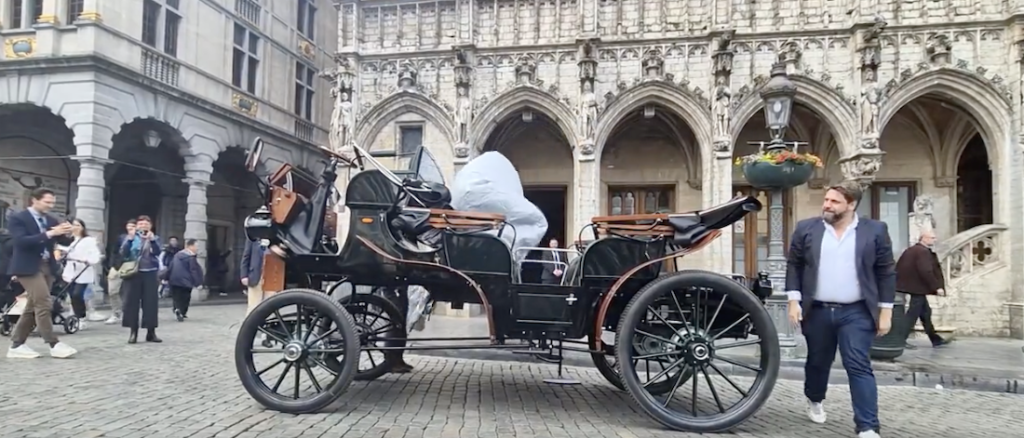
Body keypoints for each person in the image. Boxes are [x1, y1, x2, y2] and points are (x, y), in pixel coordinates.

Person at [786, 181, 895, 438]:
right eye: (826, 200)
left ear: (851, 204)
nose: (827, 205)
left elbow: (886, 271)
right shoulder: (807, 229)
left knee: (858, 364)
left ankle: (868, 426)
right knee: (818, 362)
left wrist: (886, 311)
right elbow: (795, 265)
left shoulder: (875, 230)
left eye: (834, 201)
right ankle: (814, 398)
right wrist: (794, 301)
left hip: (856, 311)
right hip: (818, 310)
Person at [5, 188, 78, 359]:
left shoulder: (51, 219)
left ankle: (17, 345)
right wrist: (50, 232)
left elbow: (62, 241)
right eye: (47, 202)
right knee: (44, 302)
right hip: (27, 267)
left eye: (52, 202)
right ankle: (53, 343)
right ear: (35, 200)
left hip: (47, 266)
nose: (50, 205)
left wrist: (68, 233)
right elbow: (21, 242)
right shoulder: (18, 218)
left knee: (33, 306)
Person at [896, 228, 950, 349]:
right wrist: (936, 287)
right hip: (917, 288)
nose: (935, 239)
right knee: (913, 313)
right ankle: (900, 339)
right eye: (932, 238)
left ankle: (935, 338)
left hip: (914, 287)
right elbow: (926, 270)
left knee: (925, 312)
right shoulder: (922, 252)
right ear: (924, 238)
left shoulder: (912, 250)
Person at [119, 215, 163, 344]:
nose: (143, 226)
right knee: (131, 304)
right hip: (133, 273)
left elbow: (157, 252)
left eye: (146, 224)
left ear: (150, 226)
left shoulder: (155, 238)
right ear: (137, 226)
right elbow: (123, 253)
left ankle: (151, 332)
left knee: (150, 304)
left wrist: (152, 240)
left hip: (150, 273)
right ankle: (133, 332)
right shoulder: (130, 238)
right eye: (141, 224)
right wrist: (131, 239)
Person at [59, 218, 103, 329]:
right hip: (70, 271)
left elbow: (95, 255)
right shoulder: (72, 240)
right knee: (71, 295)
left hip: (83, 272)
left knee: (77, 294)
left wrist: (87, 260)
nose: (75, 227)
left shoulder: (88, 240)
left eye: (78, 225)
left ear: (82, 227)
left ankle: (82, 317)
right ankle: (76, 316)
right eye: (73, 225)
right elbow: (68, 250)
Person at [103, 219, 136, 325]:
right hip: (118, 265)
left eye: (133, 226)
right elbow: (114, 251)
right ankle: (116, 313)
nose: (130, 228)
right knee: (112, 290)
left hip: (133, 265)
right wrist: (112, 265)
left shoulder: (141, 239)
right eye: (129, 226)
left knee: (130, 292)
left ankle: (129, 314)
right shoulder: (122, 238)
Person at [166, 238, 204, 321]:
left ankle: (177, 309)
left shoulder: (177, 255)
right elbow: (193, 270)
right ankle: (182, 312)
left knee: (176, 297)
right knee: (185, 297)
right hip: (186, 281)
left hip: (174, 279)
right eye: (196, 246)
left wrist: (166, 277)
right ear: (190, 246)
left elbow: (170, 266)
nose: (197, 248)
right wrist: (198, 283)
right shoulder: (190, 257)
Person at [240, 237, 267, 315]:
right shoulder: (253, 238)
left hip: (272, 275)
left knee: (270, 306)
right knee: (254, 306)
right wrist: (244, 275)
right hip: (256, 275)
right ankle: (250, 326)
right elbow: (246, 256)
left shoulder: (276, 236)